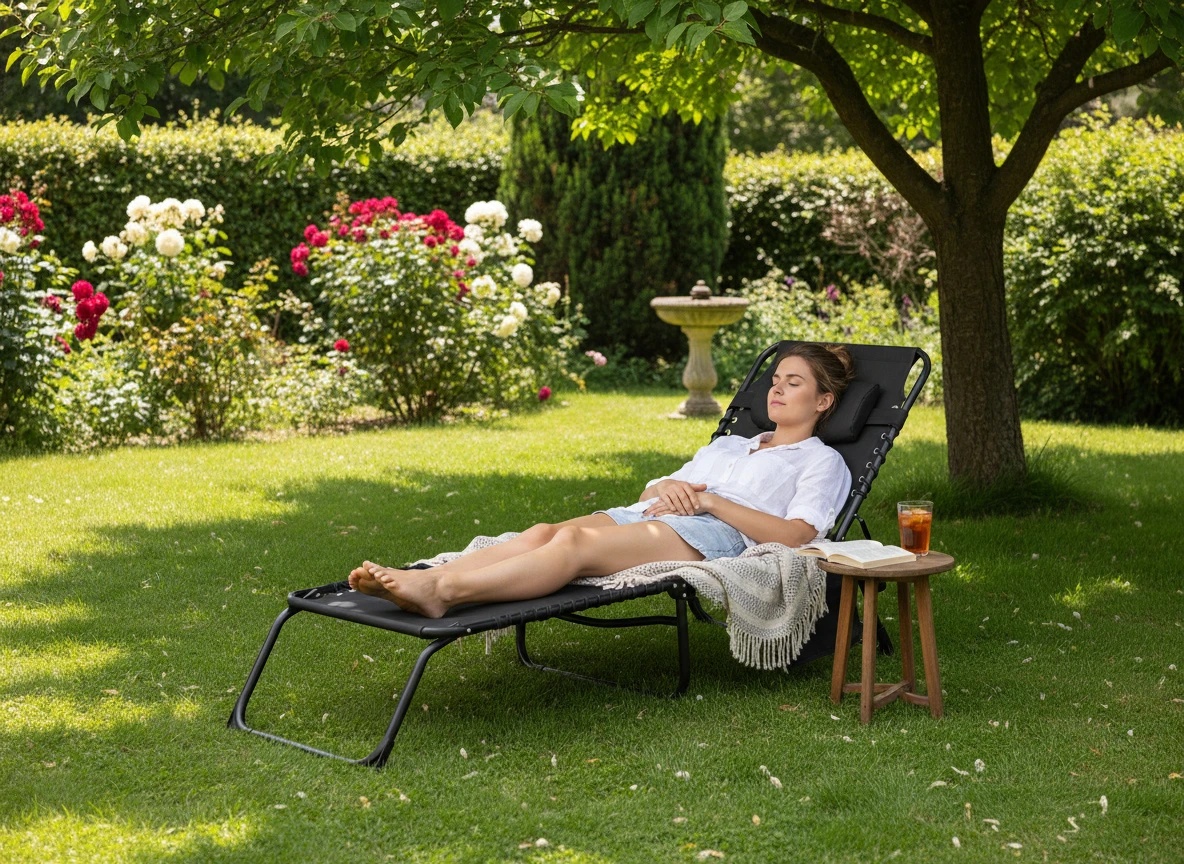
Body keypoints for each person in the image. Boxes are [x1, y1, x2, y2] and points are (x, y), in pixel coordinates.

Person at [349, 342, 855, 618]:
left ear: (824, 400)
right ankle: (424, 577)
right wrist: (667, 489)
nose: (776, 390)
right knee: (544, 532)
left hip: (713, 533)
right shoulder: (730, 444)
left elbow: (798, 535)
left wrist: (710, 504)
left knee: (572, 544)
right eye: (775, 380)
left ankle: (443, 590)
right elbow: (652, 490)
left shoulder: (822, 460)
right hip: (653, 514)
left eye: (793, 383)